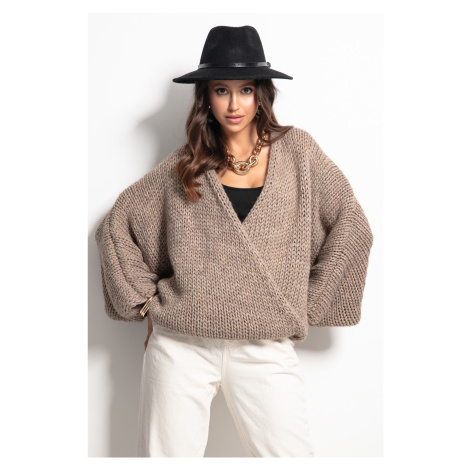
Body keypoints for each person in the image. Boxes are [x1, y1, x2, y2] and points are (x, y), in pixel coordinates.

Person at [95, 25, 374, 458]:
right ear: (206, 96)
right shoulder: (185, 166)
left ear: (261, 93)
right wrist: (145, 304)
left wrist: (304, 303)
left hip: (265, 346)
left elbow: (352, 225)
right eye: (221, 90)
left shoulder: (298, 152)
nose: (234, 104)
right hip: (181, 346)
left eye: (245, 90)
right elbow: (116, 227)